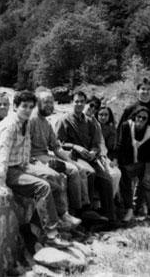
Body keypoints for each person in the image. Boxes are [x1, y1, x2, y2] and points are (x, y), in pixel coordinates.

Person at [0, 90, 72, 247]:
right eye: (24, 106)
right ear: (15, 107)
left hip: (20, 166)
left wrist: (31, 168)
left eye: (31, 107)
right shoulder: (9, 126)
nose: (27, 110)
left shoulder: (25, 123)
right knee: (42, 187)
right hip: (6, 170)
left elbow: (25, 150)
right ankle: (52, 234)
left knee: (54, 182)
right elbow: (1, 156)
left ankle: (36, 225)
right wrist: (0, 183)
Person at [28, 89, 91, 225]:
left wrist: (69, 160)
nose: (50, 105)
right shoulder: (31, 120)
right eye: (46, 102)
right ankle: (75, 210)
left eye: (52, 102)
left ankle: (84, 207)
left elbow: (56, 146)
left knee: (78, 168)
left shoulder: (45, 122)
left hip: (45, 154)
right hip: (35, 157)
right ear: (38, 103)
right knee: (72, 171)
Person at [55, 89, 116, 223]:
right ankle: (85, 211)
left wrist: (94, 151)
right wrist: (76, 147)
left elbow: (95, 142)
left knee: (106, 179)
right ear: (72, 102)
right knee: (89, 173)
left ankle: (110, 218)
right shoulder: (64, 120)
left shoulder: (90, 121)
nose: (79, 104)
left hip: (89, 157)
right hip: (73, 156)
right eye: (76, 101)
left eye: (82, 102)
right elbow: (59, 143)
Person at [118, 78, 150, 214]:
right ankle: (136, 207)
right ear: (138, 90)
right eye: (143, 89)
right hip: (134, 149)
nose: (145, 92)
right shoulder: (130, 109)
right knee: (136, 177)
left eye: (148, 89)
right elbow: (121, 131)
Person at [117, 105, 150, 222]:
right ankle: (129, 211)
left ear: (148, 120)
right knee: (126, 187)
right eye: (139, 116)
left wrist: (147, 171)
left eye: (144, 118)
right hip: (126, 161)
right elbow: (121, 145)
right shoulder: (126, 126)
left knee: (147, 182)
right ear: (134, 116)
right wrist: (119, 161)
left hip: (142, 162)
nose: (140, 120)